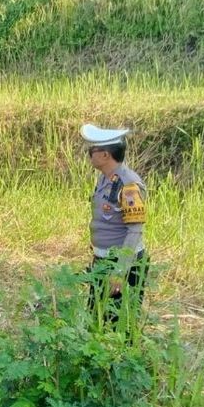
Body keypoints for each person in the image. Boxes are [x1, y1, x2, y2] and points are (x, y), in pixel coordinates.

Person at [81, 124, 148, 323]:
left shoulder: (128, 184)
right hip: (103, 260)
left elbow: (135, 230)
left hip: (121, 264)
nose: (89, 155)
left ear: (105, 155)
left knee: (120, 324)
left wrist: (120, 271)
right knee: (97, 318)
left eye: (91, 151)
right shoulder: (106, 179)